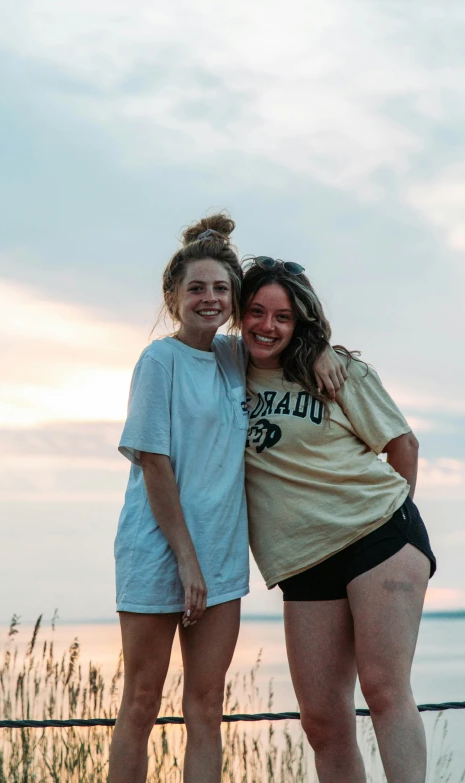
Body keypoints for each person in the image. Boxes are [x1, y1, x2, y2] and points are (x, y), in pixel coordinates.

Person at [109, 218, 345, 783]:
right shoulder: (158, 362)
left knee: (206, 709)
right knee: (142, 703)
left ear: (233, 300)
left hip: (220, 557)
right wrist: (187, 563)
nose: (209, 299)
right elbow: (154, 465)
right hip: (158, 552)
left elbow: (284, 333)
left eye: (221, 289)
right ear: (174, 297)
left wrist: (319, 352)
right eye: (197, 288)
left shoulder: (235, 357)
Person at [240, 257, 436, 783]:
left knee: (384, 688)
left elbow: (403, 445)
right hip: (303, 560)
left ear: (300, 322)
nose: (267, 326)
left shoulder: (339, 370)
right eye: (256, 311)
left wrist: (393, 518)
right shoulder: (224, 371)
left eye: (282, 317)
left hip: (379, 537)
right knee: (323, 720)